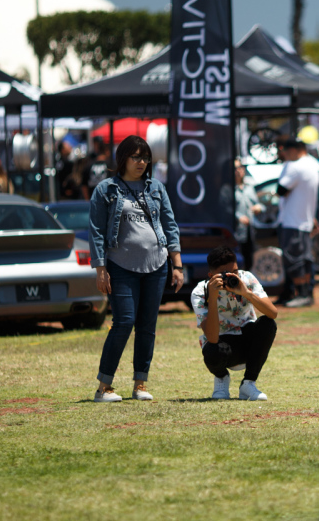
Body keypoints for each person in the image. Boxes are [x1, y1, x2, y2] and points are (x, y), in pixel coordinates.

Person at [88, 136, 184, 403]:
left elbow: (170, 226)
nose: (141, 162)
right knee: (124, 322)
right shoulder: (106, 190)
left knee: (147, 326)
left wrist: (177, 265)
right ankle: (103, 387)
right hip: (120, 267)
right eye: (136, 157)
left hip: (157, 265)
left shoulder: (157, 188)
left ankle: (140, 384)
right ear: (123, 159)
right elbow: (96, 231)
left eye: (145, 158)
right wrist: (100, 268)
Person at [191, 246, 278, 401]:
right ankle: (221, 378)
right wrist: (213, 296)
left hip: (247, 339)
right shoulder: (200, 292)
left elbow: (273, 313)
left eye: (235, 271)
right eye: (224, 274)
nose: (231, 277)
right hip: (223, 344)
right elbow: (211, 337)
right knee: (211, 350)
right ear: (211, 275)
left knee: (268, 324)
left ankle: (248, 383)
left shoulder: (247, 279)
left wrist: (246, 293)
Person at [275, 138, 319, 308]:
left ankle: (302, 294)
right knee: (304, 258)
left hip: (293, 221)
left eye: (286, 151)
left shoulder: (297, 166)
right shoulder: (312, 164)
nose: (285, 155)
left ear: (295, 149)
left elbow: (280, 190)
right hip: (304, 219)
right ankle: (305, 293)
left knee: (295, 259)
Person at [233, 159, 263, 271]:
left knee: (249, 259)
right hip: (236, 232)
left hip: (250, 230)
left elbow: (258, 204)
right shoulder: (229, 189)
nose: (239, 170)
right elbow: (225, 209)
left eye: (241, 167)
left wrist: (258, 207)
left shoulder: (249, 188)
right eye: (236, 168)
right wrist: (238, 217)